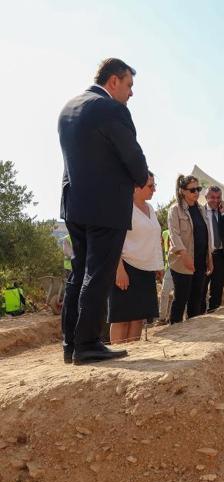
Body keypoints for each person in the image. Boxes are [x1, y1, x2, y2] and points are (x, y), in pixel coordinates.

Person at [58, 58, 149, 365]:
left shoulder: (68, 108)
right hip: (106, 205)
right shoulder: (111, 109)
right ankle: (88, 343)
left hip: (74, 203)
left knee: (79, 272)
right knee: (99, 272)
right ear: (113, 81)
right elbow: (131, 153)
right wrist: (142, 176)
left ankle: (71, 344)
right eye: (129, 85)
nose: (131, 93)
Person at [108, 172, 163, 343]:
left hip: (146, 270)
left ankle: (133, 354)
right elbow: (113, 241)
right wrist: (119, 270)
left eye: (154, 185)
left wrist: (158, 265)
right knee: (122, 317)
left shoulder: (151, 209)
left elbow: (154, 238)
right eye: (150, 186)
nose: (154, 189)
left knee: (138, 316)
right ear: (136, 187)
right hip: (125, 268)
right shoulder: (122, 207)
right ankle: (118, 353)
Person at [167, 175, 213, 323]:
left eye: (198, 189)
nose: (196, 193)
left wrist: (209, 258)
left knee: (197, 298)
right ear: (182, 191)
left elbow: (206, 236)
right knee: (181, 298)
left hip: (199, 261)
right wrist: (185, 256)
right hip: (182, 263)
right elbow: (174, 235)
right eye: (192, 190)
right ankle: (175, 329)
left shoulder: (201, 209)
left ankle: (194, 331)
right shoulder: (175, 210)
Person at [201, 186, 224, 312]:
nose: (216, 201)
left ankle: (214, 311)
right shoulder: (200, 212)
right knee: (201, 287)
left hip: (220, 255)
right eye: (212, 197)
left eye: (218, 198)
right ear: (206, 198)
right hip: (205, 255)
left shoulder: (223, 213)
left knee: (217, 287)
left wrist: (223, 213)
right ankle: (199, 315)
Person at [158, 228, 173, 324]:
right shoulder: (165, 233)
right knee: (164, 292)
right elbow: (158, 248)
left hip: (181, 266)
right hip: (169, 267)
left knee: (178, 294)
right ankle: (162, 318)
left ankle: (173, 316)